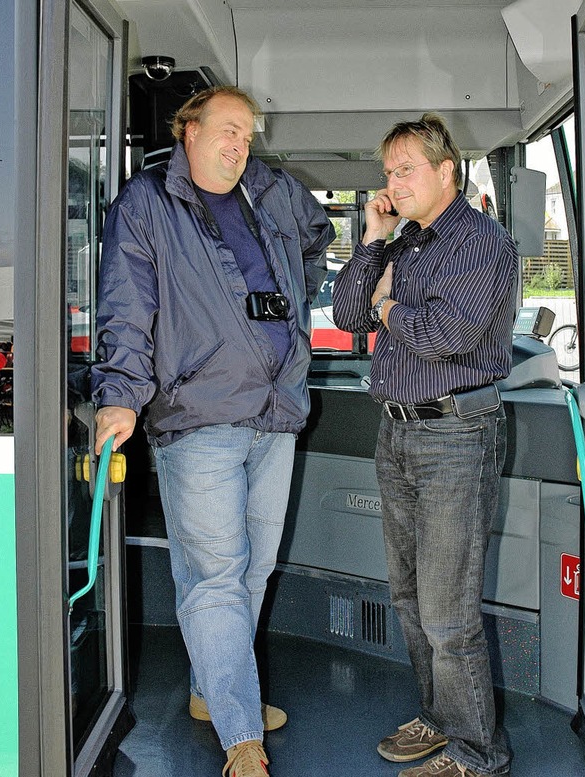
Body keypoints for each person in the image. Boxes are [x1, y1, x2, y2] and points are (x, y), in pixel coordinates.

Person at [91, 85, 335, 777]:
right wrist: (121, 394)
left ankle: (209, 691)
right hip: (198, 416)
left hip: (275, 413)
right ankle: (240, 735)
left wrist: (293, 316)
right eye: (227, 129)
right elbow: (126, 305)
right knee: (215, 578)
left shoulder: (270, 195)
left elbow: (317, 241)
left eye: (249, 135)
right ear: (188, 130)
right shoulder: (148, 204)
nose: (239, 144)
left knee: (251, 568)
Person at [333, 113, 517, 777]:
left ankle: (478, 753)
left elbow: (444, 335)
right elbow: (347, 312)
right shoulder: (404, 241)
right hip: (399, 434)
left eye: (405, 169)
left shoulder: (480, 242)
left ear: (447, 172)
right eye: (388, 172)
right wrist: (372, 242)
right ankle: (440, 719)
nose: (393, 181)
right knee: (410, 600)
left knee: (447, 612)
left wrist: (387, 308)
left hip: (456, 436)